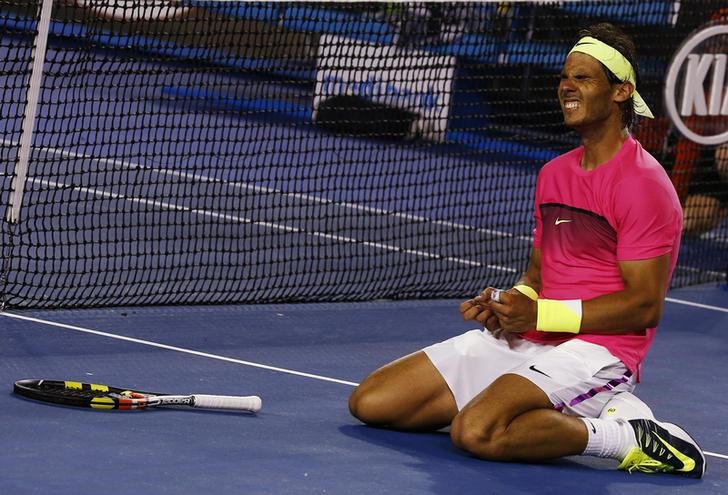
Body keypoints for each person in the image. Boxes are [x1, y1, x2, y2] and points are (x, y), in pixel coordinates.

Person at [348, 22, 706, 478]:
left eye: (583, 78)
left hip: (599, 351)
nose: (566, 87)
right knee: (373, 402)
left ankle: (632, 437)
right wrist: (511, 303)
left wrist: (542, 317)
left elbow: (644, 306)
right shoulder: (554, 175)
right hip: (531, 338)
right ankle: (600, 406)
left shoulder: (644, 185)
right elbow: (538, 277)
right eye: (564, 77)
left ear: (622, 92)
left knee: (477, 432)